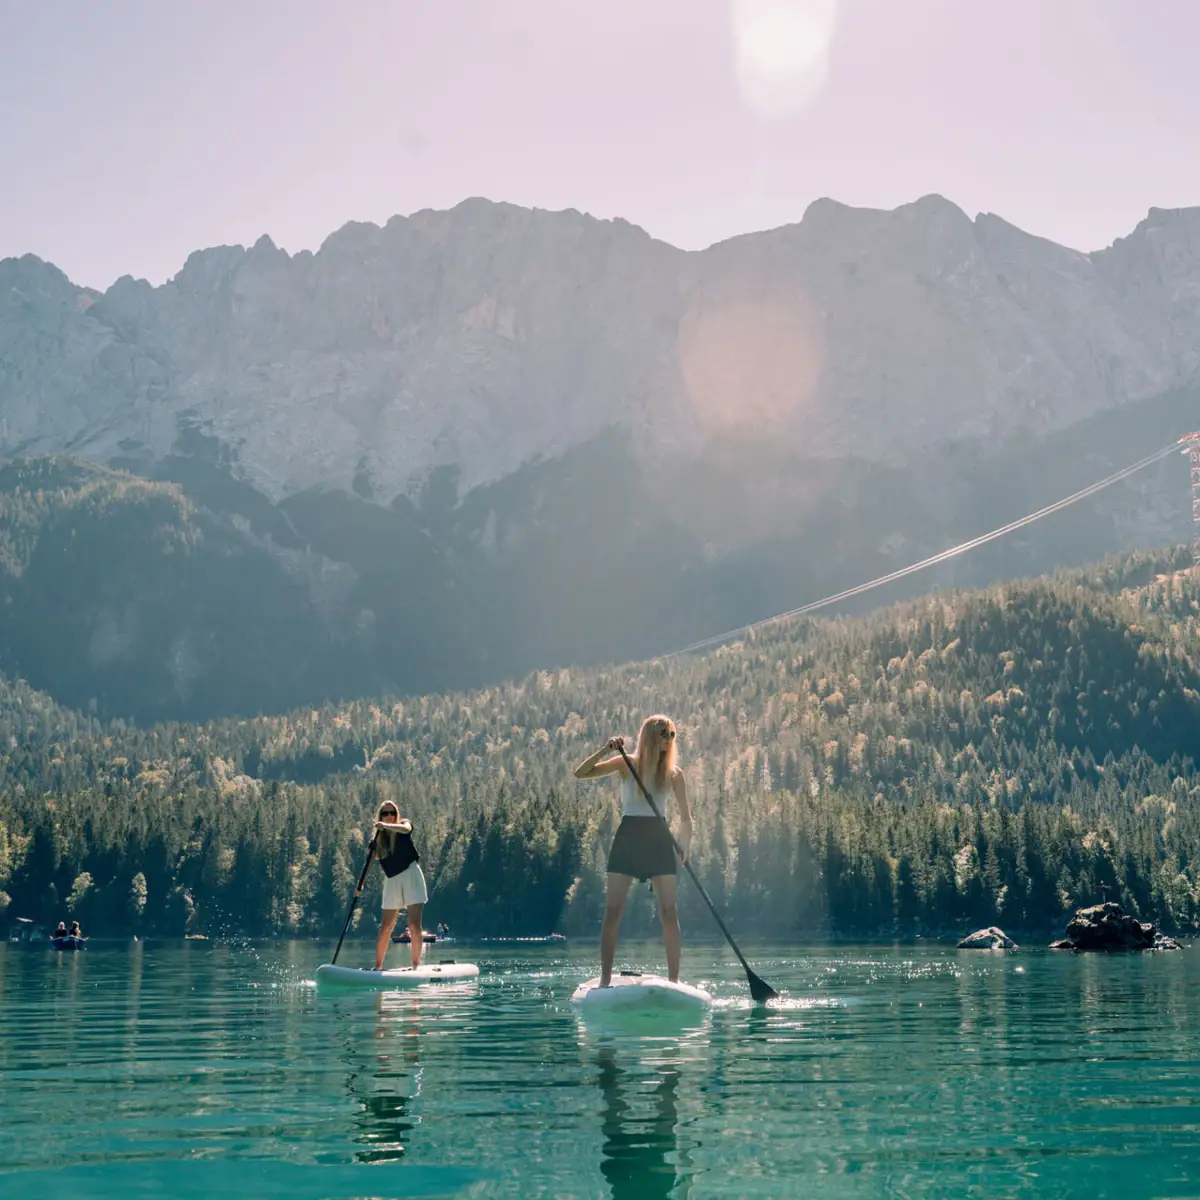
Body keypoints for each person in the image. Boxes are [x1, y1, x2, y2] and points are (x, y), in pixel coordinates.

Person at [574, 714, 693, 987]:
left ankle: (674, 981)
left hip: (658, 839)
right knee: (614, 911)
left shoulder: (674, 774)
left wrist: (685, 846)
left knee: (668, 911)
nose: (669, 738)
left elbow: (687, 819)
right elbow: (581, 773)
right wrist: (607, 749)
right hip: (628, 839)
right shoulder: (626, 764)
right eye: (664, 733)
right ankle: (605, 980)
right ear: (650, 736)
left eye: (672, 733)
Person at [372, 800, 428, 970]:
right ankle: (378, 967)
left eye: (392, 813)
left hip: (411, 875)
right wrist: (359, 887)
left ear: (397, 815)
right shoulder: (377, 840)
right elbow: (368, 864)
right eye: (385, 813)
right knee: (386, 927)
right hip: (392, 880)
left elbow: (406, 829)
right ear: (380, 816)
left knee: (413, 925)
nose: (389, 816)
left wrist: (387, 826)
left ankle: (415, 966)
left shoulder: (404, 825)